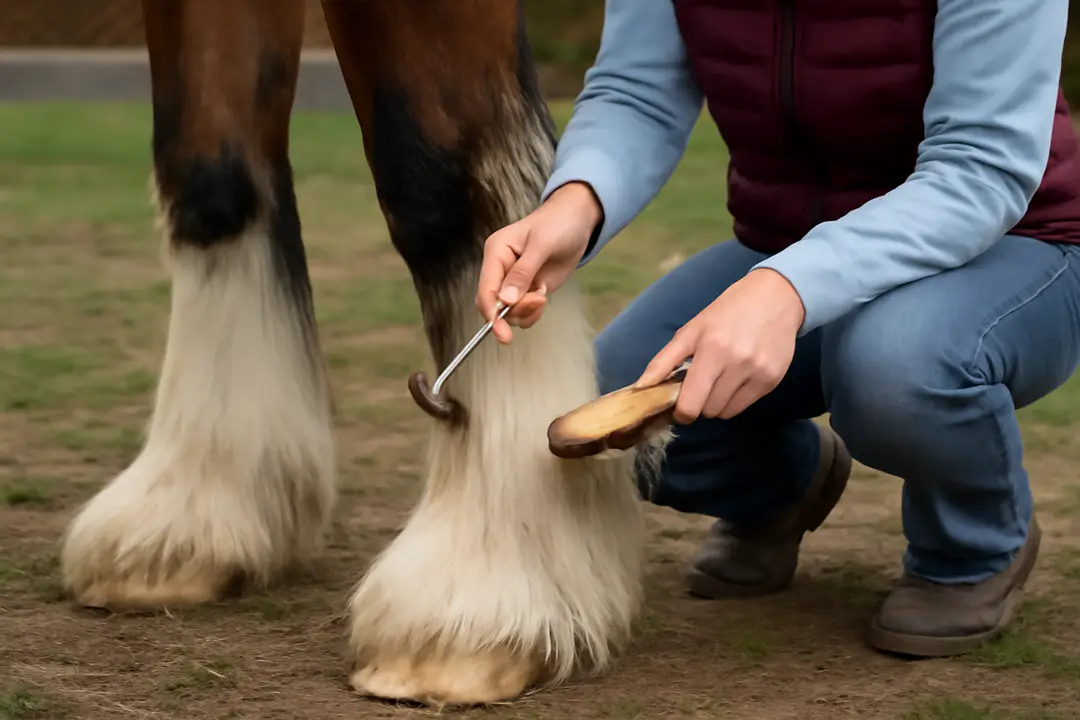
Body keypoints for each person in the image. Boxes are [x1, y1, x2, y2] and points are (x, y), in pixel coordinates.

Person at [476, 0, 1080, 658]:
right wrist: (577, 200)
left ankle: (973, 547)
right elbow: (636, 92)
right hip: (785, 247)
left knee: (891, 368)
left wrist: (787, 287)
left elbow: (981, 165)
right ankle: (783, 487)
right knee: (615, 406)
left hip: (1014, 245)